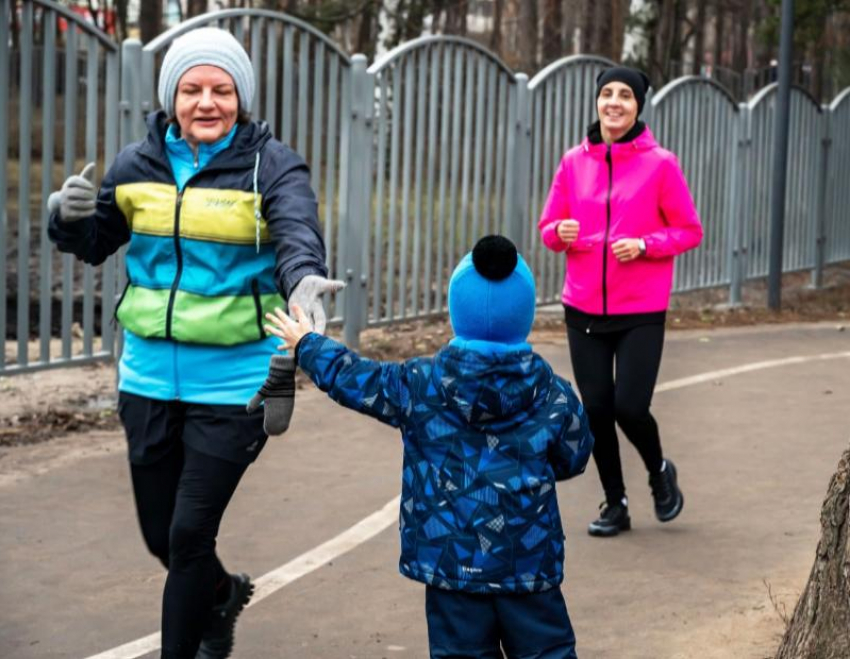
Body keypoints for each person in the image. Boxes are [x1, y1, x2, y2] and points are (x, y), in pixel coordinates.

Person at [47, 27, 341, 659]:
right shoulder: (136, 164)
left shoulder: (271, 165)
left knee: (186, 537)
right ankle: (221, 595)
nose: (207, 102)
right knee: (164, 538)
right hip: (147, 377)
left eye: (222, 90)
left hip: (238, 383)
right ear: (171, 97)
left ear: (243, 97)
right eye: (192, 89)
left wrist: (304, 281)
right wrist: (66, 220)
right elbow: (97, 241)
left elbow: (296, 230)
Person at [265, 235, 594, 659]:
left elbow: (359, 380)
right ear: (525, 313)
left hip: (450, 564)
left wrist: (308, 345)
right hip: (527, 564)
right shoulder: (553, 393)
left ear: (459, 311)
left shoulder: (419, 384)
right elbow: (574, 455)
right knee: (547, 653)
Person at [537, 66, 703, 538]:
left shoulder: (661, 164)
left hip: (640, 310)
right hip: (583, 307)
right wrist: (559, 233)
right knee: (596, 411)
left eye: (624, 95)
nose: (613, 102)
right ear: (597, 103)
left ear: (638, 106)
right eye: (606, 93)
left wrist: (646, 245)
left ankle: (658, 472)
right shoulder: (573, 162)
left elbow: (690, 230)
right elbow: (549, 227)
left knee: (630, 406)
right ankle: (615, 503)